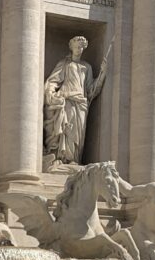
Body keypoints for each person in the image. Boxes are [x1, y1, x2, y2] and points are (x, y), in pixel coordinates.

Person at [43, 35, 107, 166]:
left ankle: (73, 160)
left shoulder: (86, 67)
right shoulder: (65, 64)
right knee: (66, 129)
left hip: (81, 104)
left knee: (77, 135)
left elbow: (91, 90)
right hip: (67, 100)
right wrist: (51, 94)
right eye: (77, 46)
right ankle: (60, 158)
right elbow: (53, 81)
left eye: (81, 47)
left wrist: (102, 74)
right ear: (71, 47)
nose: (79, 49)